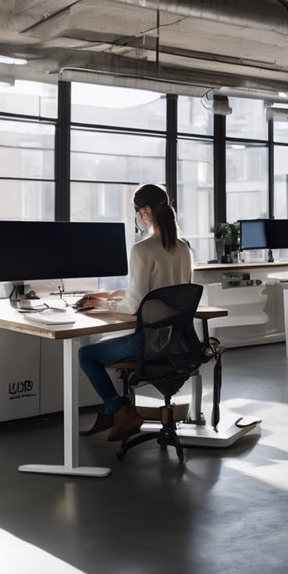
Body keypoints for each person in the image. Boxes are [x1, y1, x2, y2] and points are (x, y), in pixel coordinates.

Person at [77, 183, 194, 441]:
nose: (137, 216)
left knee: (86, 354)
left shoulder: (142, 249)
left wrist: (101, 306)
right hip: (176, 341)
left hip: (148, 343)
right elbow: (163, 293)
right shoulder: (184, 248)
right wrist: (110, 295)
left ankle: (119, 411)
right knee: (99, 349)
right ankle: (113, 414)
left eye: (137, 211)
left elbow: (134, 307)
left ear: (146, 211)